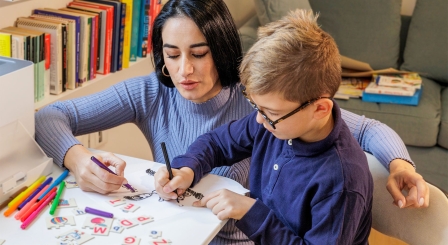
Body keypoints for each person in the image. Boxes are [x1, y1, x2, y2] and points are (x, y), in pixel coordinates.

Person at [34, 0, 428, 244]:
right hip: (181, 228)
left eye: (199, 53)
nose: (183, 70)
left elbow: (367, 129)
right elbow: (48, 117)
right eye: (170, 55)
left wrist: (399, 164)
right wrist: (79, 159)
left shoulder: (272, 101)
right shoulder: (266, 110)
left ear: (220, 49)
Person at [155, 9, 373, 243]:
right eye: (256, 107)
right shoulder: (274, 123)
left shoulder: (341, 181)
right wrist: (187, 169)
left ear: (320, 109)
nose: (259, 120)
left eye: (271, 113)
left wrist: (251, 213)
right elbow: (217, 143)